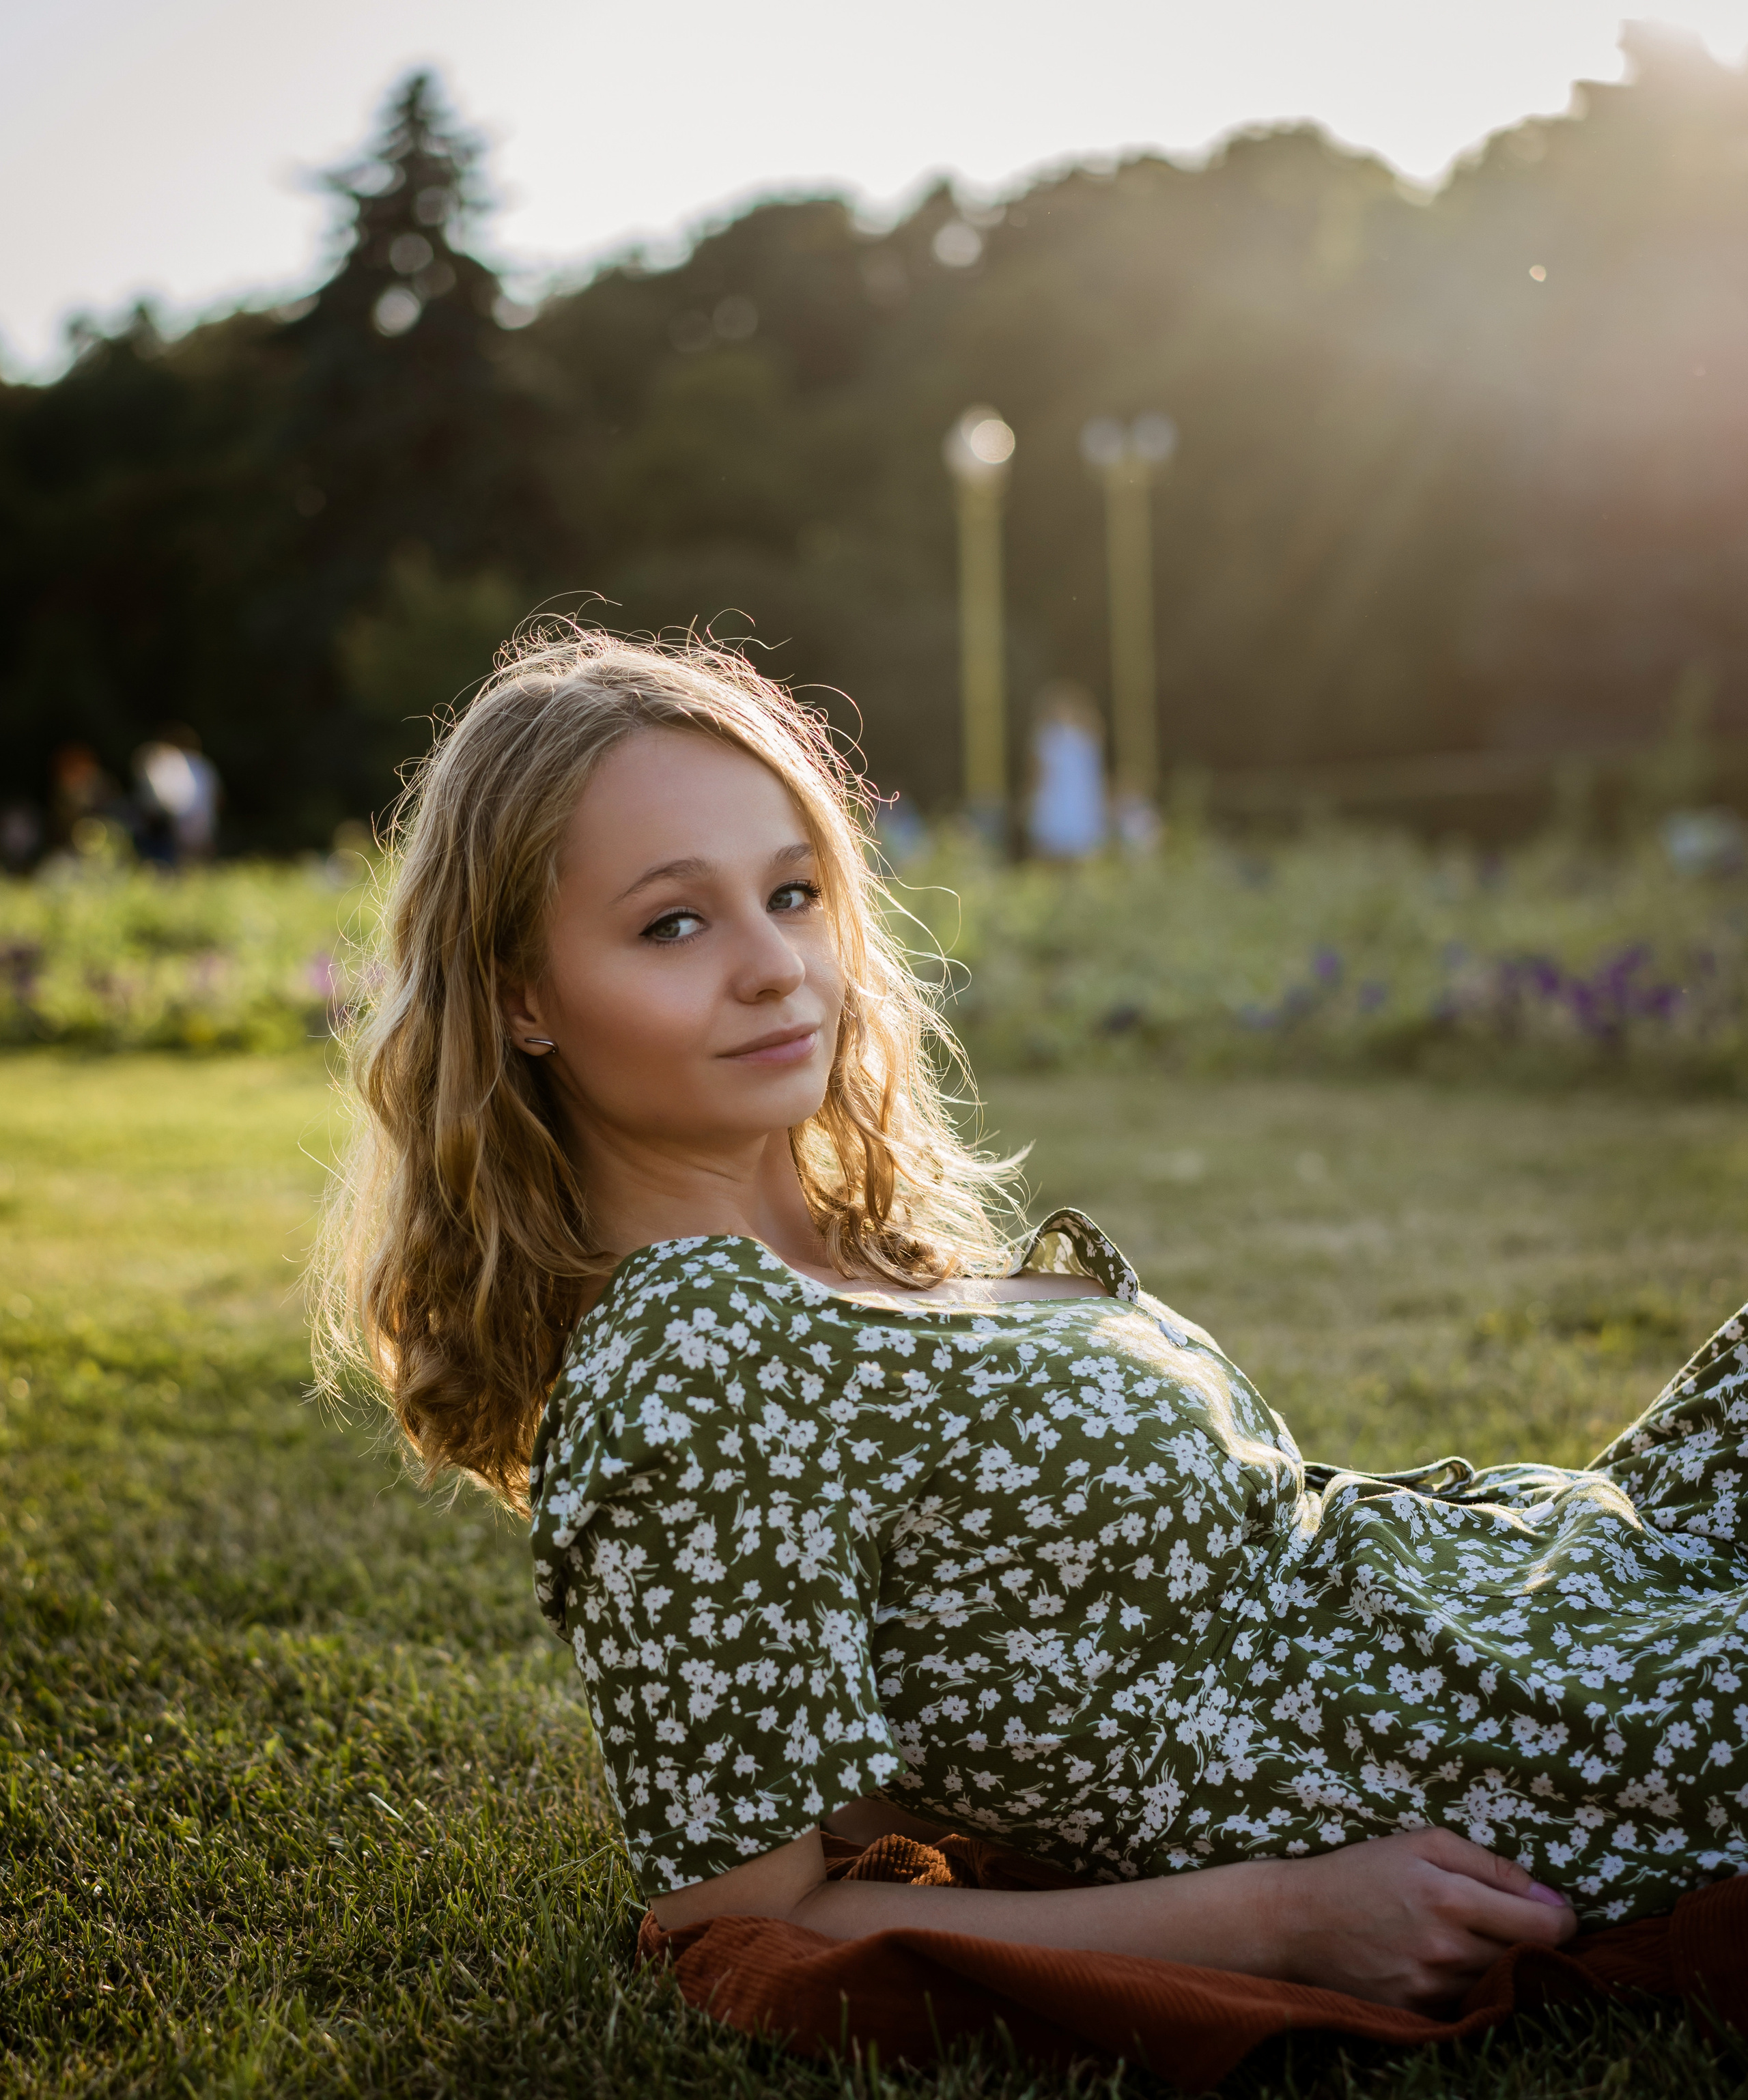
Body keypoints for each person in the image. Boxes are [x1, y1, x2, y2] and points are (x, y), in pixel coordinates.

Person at [318, 629, 1748, 2015]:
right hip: (1511, 1742)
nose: (772, 965)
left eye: (795, 892)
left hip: (1548, 1578)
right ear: (520, 997)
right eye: (673, 921)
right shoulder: (688, 1358)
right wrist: (1290, 1916)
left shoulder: (862, 1261)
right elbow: (748, 1920)